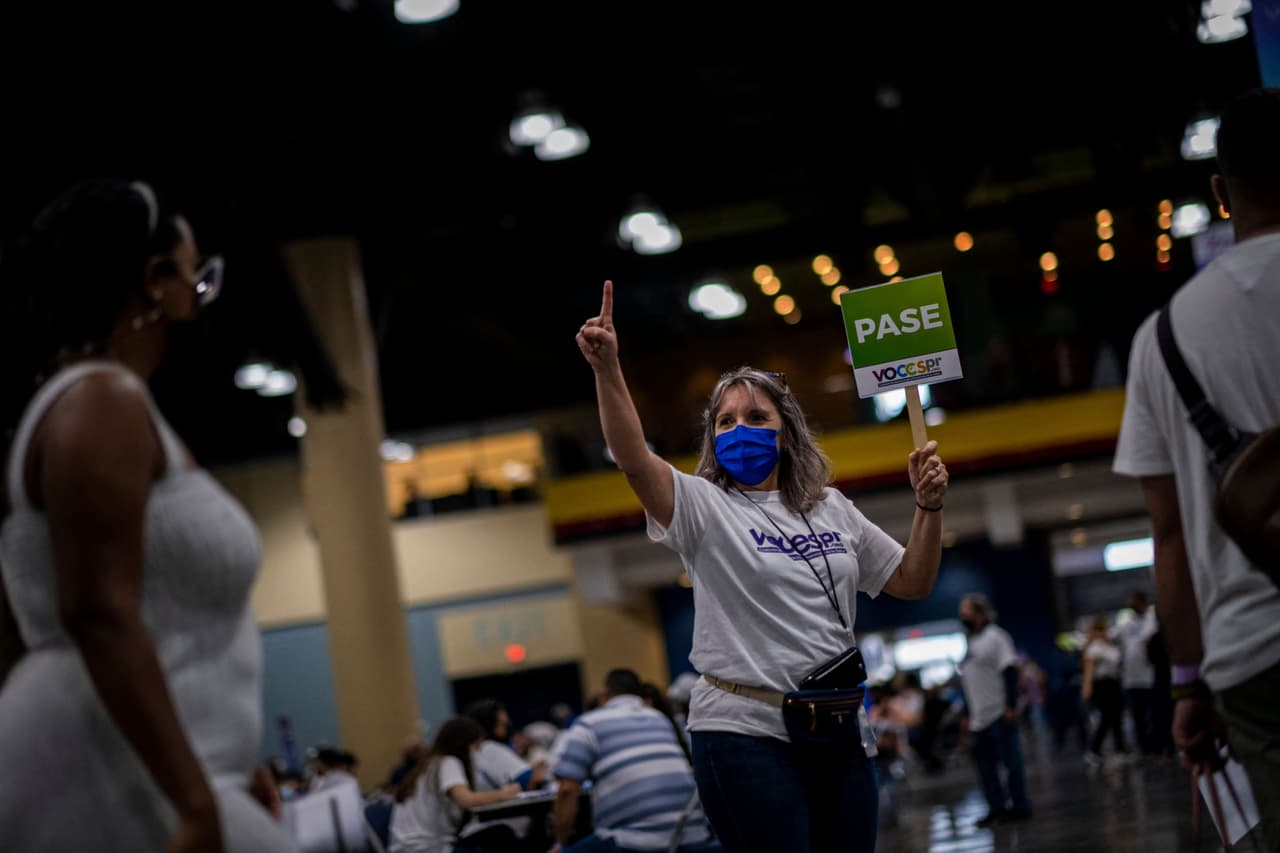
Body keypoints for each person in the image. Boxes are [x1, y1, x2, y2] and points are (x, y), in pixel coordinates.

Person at [575, 282, 949, 853]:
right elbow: (633, 458)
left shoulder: (831, 506)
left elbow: (912, 580)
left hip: (838, 726)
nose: (738, 429)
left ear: (785, 431)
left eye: (755, 416)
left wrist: (928, 507)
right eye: (724, 422)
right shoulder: (703, 506)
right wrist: (608, 370)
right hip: (743, 732)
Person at [0, 179, 294, 851]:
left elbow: (165, 622)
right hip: (105, 770)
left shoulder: (109, 403)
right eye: (197, 276)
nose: (201, 295)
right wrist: (191, 794)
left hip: (153, 763)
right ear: (155, 280)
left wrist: (219, 759)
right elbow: (96, 612)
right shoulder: (99, 404)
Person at [1113, 87, 1280, 848]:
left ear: (1220, 192)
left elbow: (1171, 532)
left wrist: (1187, 683)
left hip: (1256, 655)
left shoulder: (1162, 338)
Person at [551, 669, 714, 853]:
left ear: (604, 694)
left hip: (632, 841)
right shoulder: (659, 718)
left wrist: (559, 843)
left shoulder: (588, 723)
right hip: (692, 835)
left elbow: (566, 790)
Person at [389, 717, 521, 853]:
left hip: (411, 847)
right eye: (475, 747)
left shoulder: (428, 764)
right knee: (501, 837)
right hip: (427, 848)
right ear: (463, 744)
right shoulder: (448, 762)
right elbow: (466, 800)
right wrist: (504, 793)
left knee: (499, 833)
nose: (476, 754)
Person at [957, 594, 1032, 826]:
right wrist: (967, 714)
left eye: (966, 611)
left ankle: (1019, 806)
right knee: (985, 769)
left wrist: (1010, 705)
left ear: (979, 613)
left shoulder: (997, 636)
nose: (962, 616)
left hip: (999, 712)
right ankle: (996, 808)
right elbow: (969, 681)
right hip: (978, 717)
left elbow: (1009, 670)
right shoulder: (970, 642)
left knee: (1011, 764)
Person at [1113, 591, 1158, 755]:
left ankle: (1157, 746)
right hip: (1131, 678)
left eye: (1133, 601)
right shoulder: (1126, 622)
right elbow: (1113, 637)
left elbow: (1150, 637)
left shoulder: (1152, 618)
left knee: (1153, 713)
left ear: (1141, 601)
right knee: (1137, 715)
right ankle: (1143, 748)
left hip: (1149, 675)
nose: (1130, 605)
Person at [1081, 618, 1128, 766]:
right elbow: (1088, 670)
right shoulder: (1094, 648)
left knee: (1117, 717)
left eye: (1102, 630)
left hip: (1114, 683)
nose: (1100, 633)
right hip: (1102, 684)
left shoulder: (1111, 646)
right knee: (1106, 718)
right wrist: (1087, 687)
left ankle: (1120, 749)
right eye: (1097, 630)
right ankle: (1093, 750)